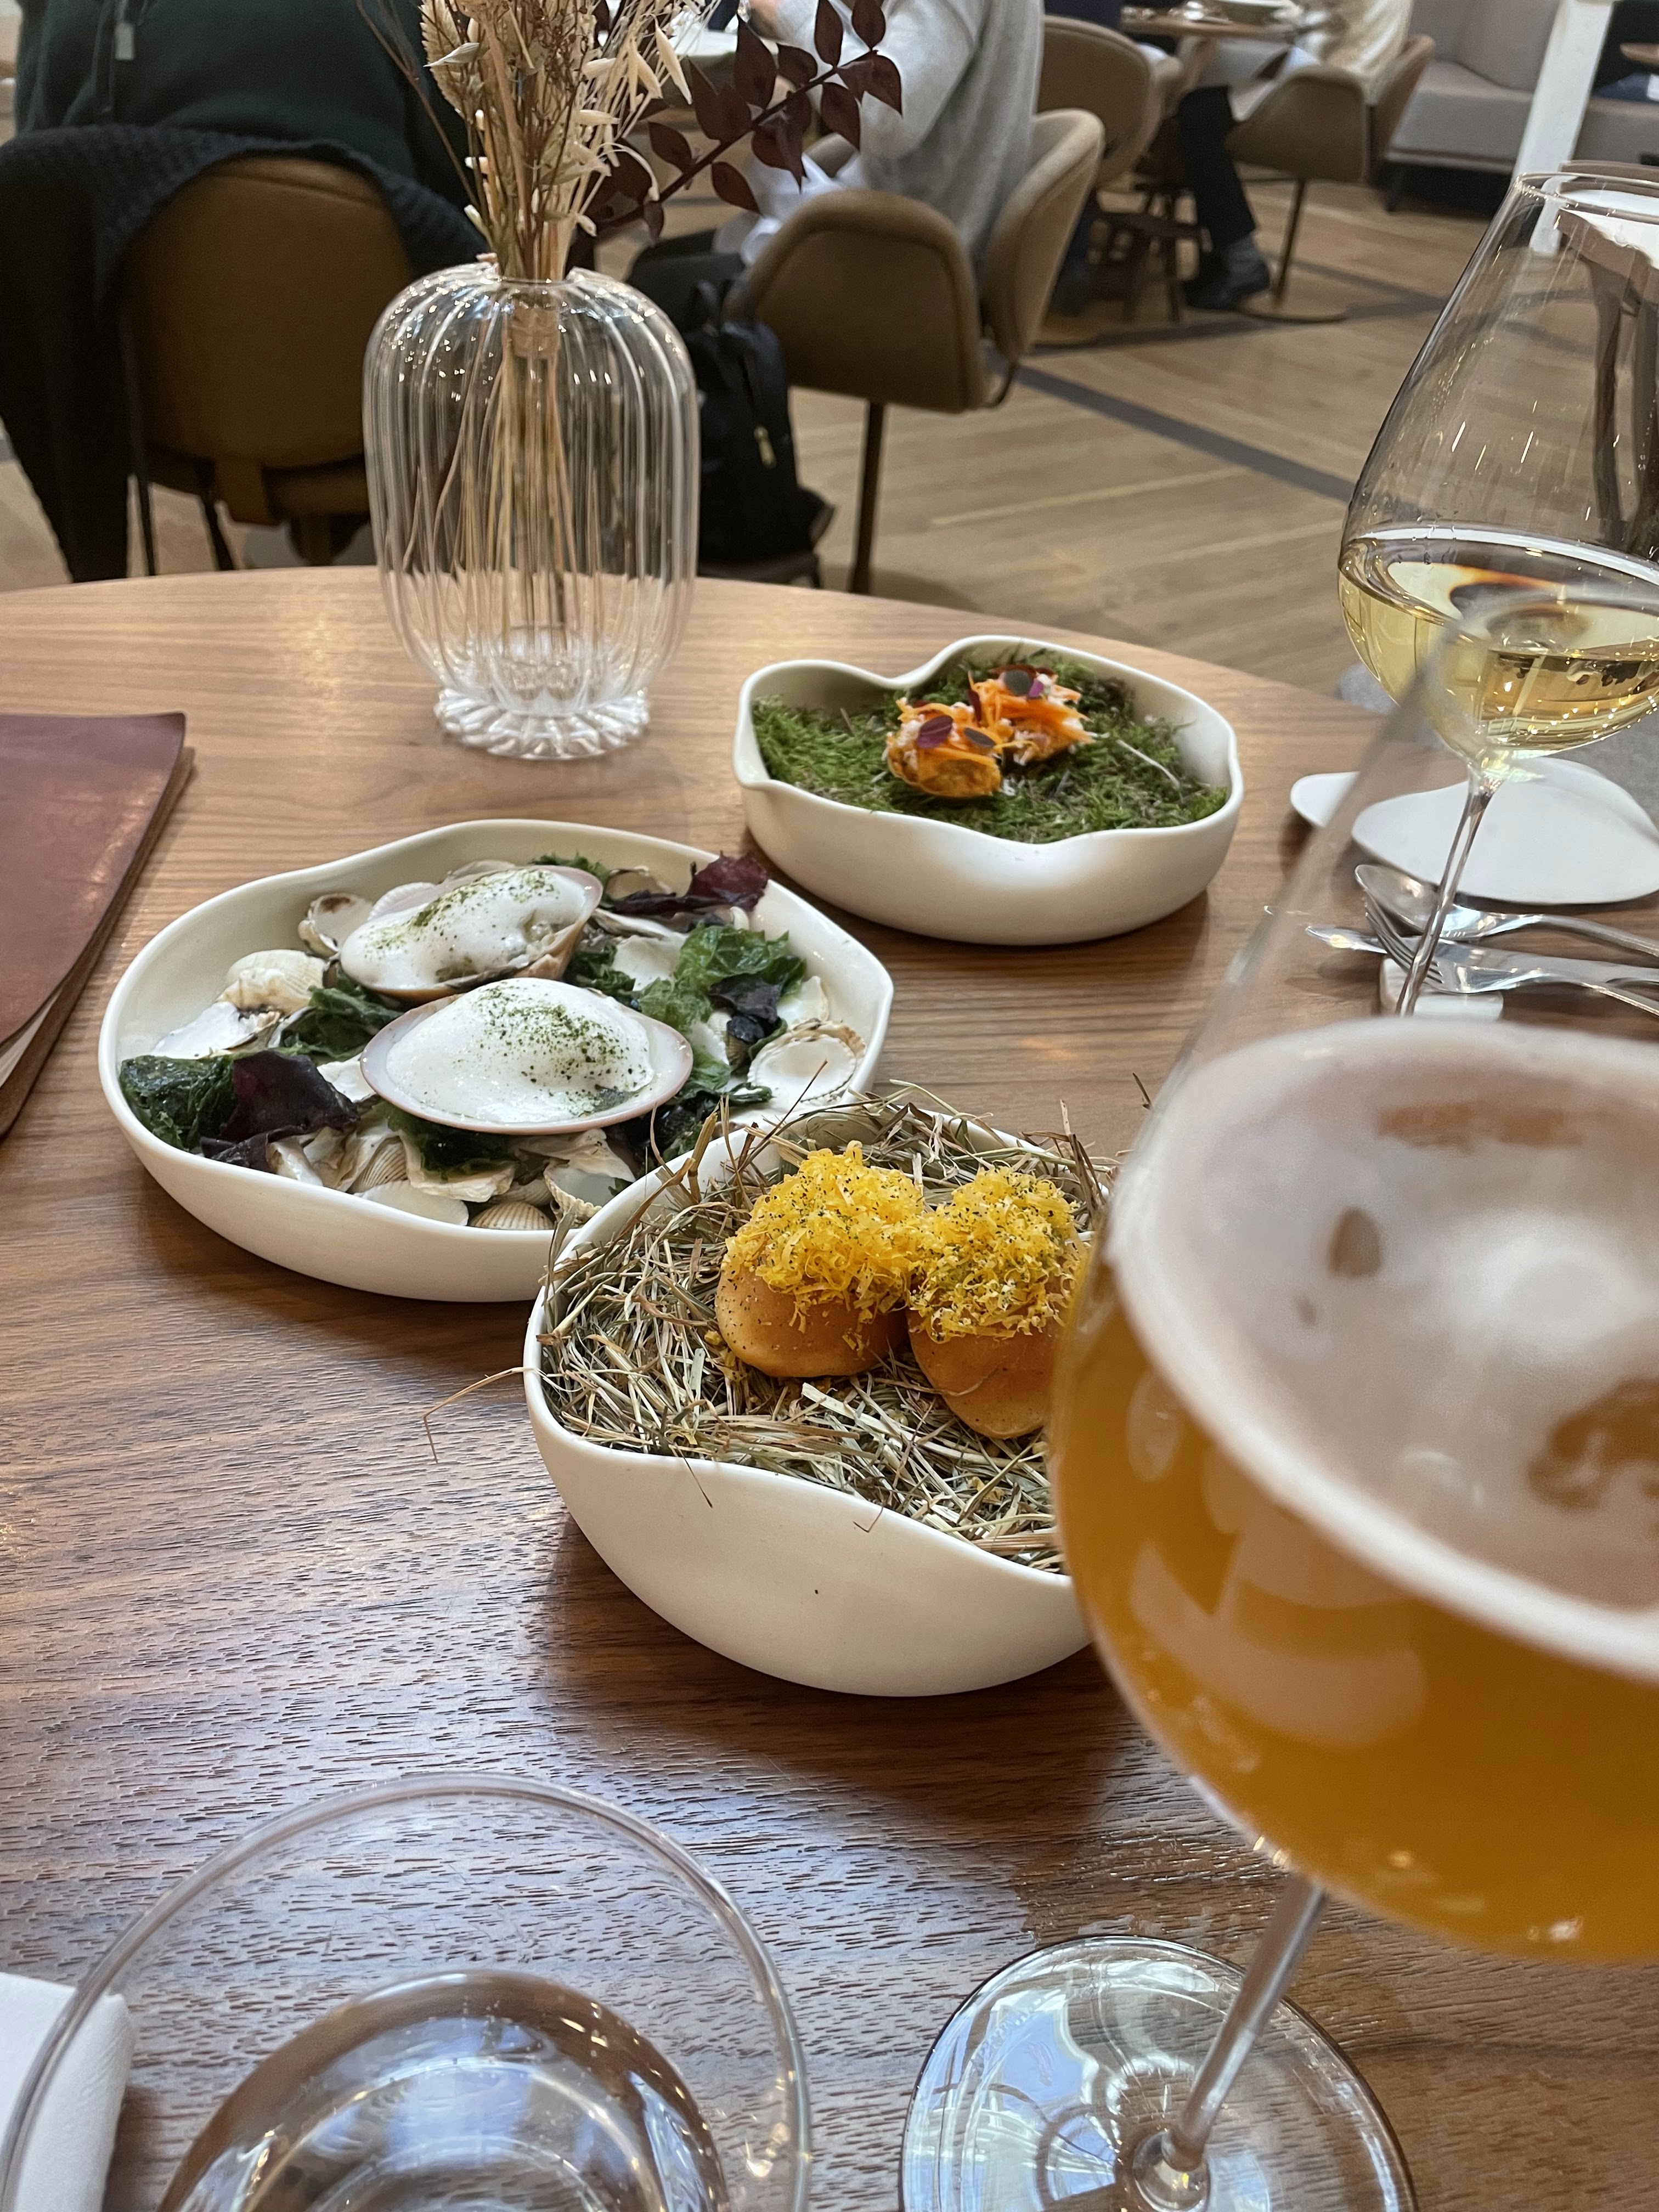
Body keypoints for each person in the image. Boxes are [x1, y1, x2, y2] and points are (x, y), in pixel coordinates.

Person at [719, 0, 1042, 269]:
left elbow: (886, 117)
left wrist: (790, 11)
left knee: (689, 282)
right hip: (905, 238)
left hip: (898, 261)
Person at [1178, 0, 1410, 311]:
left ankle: (1239, 258)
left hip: (1329, 96)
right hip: (1348, 95)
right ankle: (1225, 255)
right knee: (1201, 110)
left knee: (1197, 114)